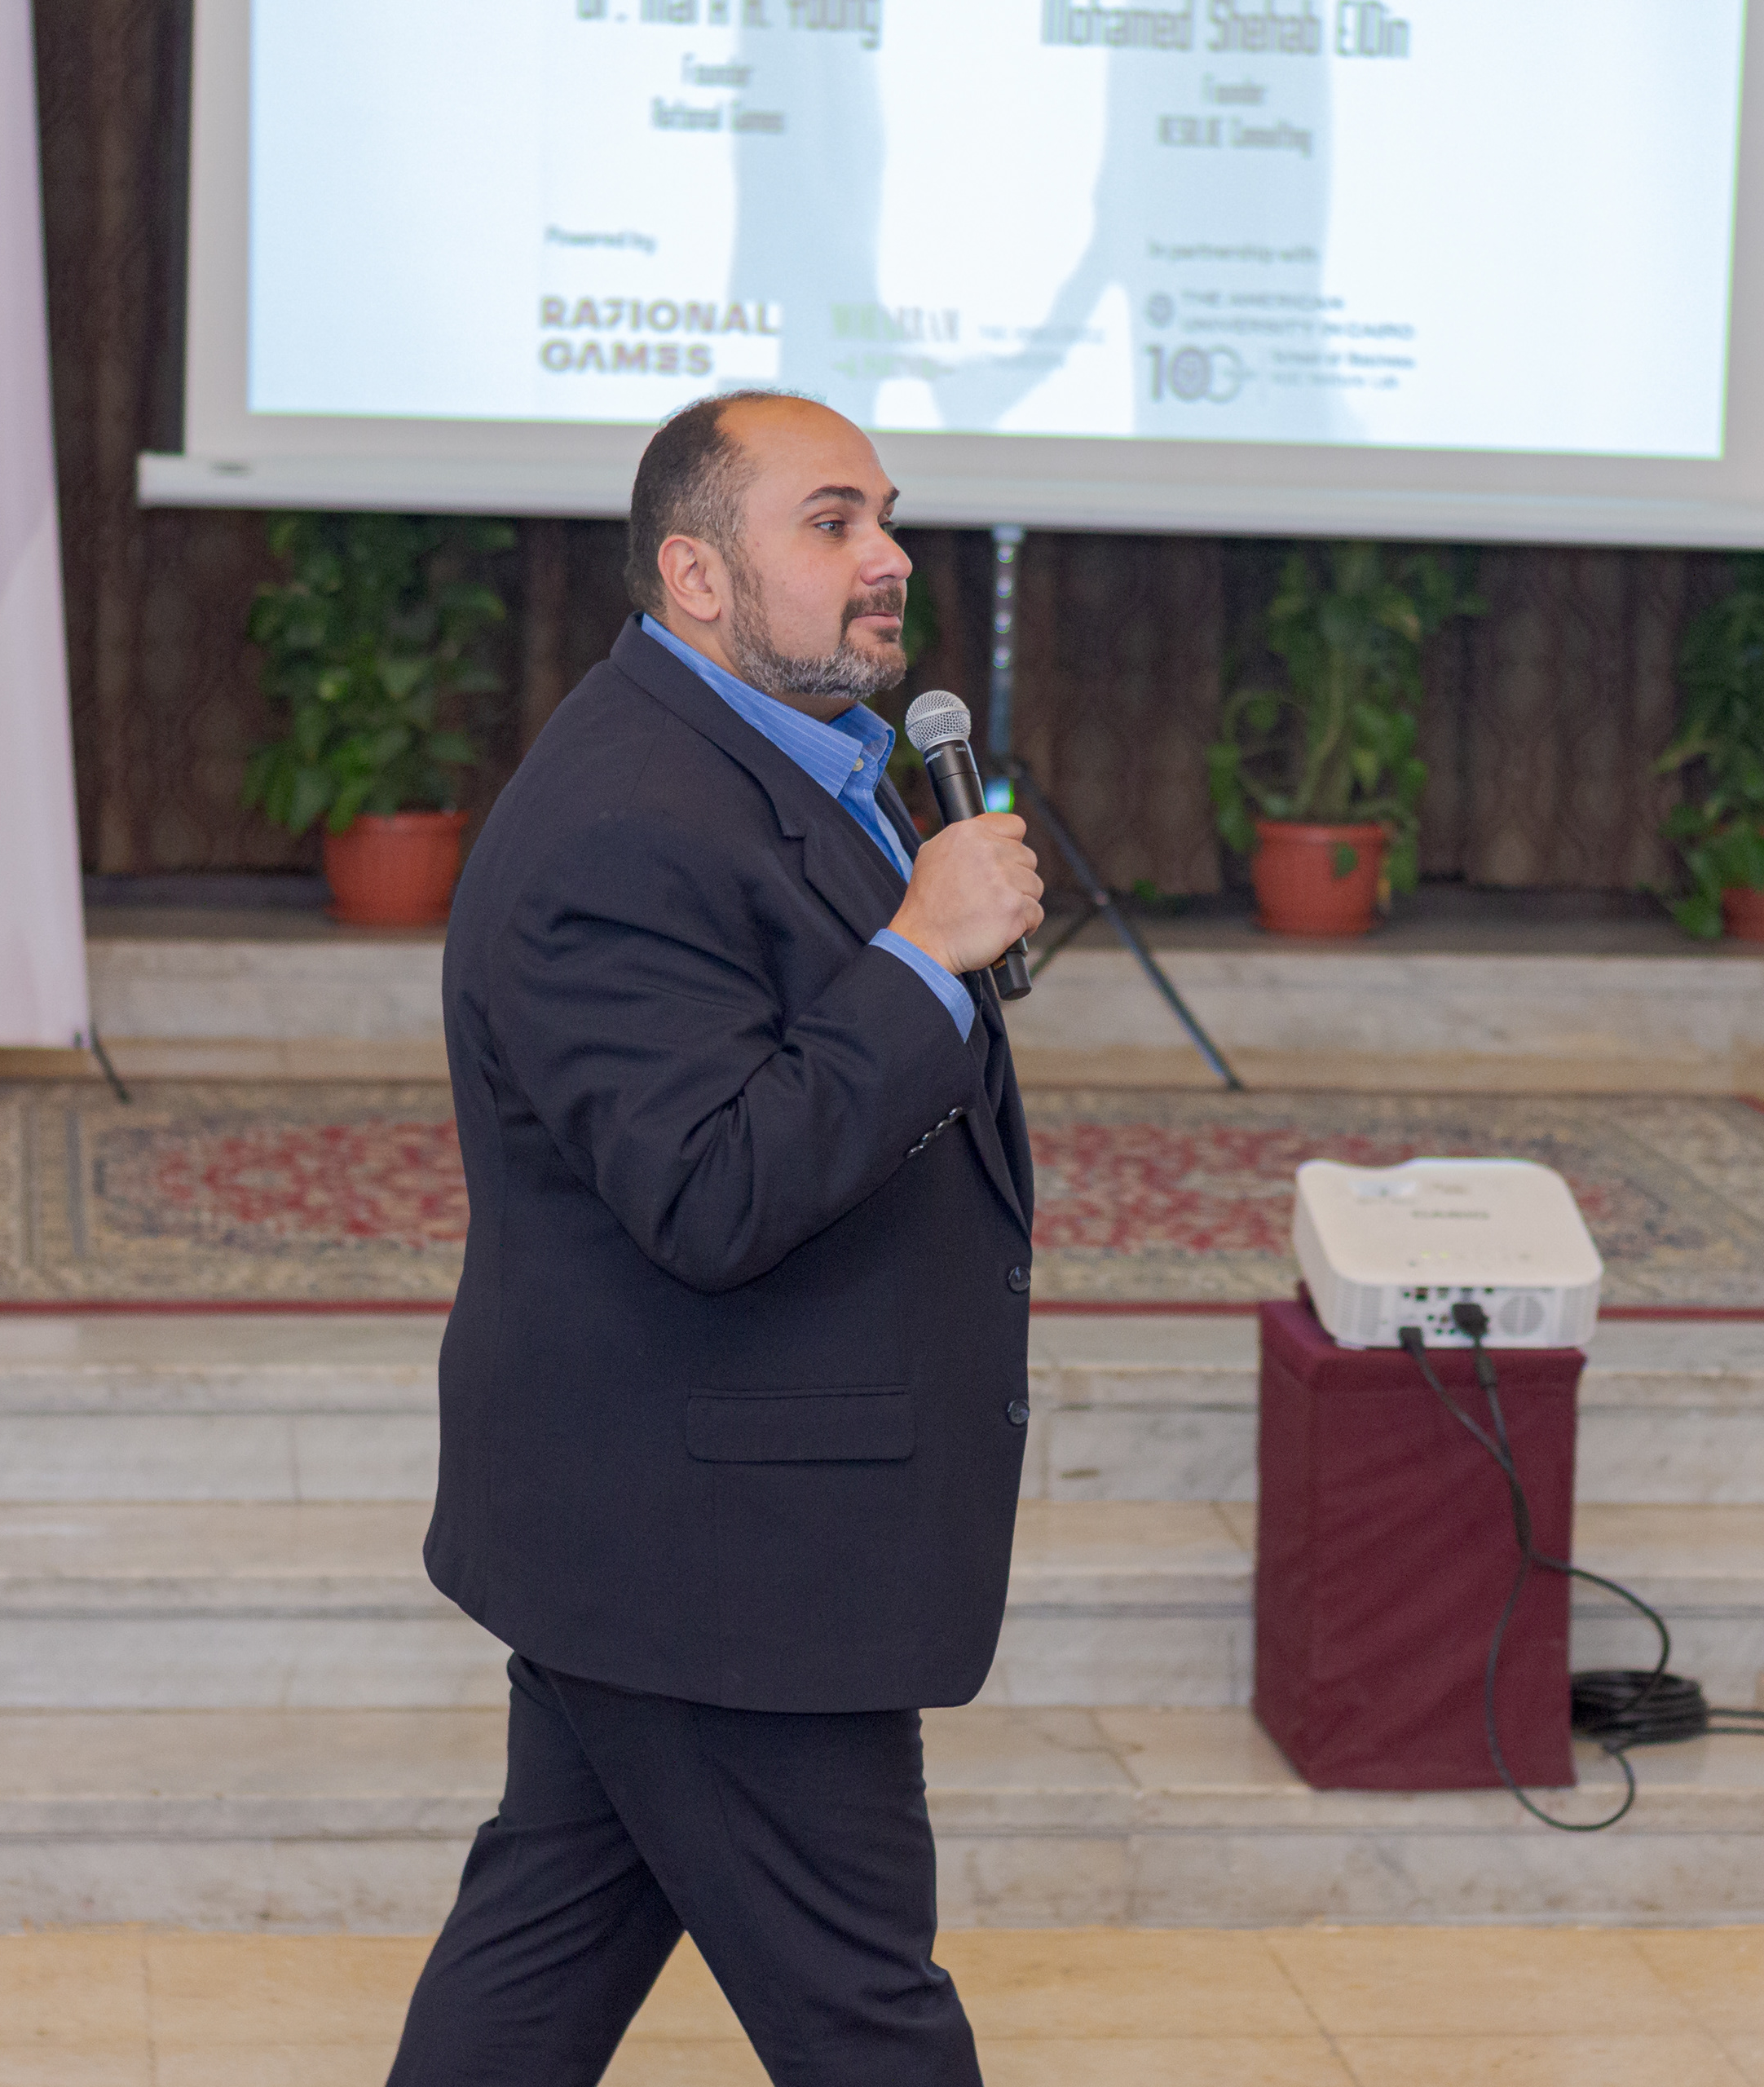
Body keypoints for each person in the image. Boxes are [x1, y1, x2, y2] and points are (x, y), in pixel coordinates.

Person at [386, 390, 1045, 2086]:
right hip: (719, 1552)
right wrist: (919, 956)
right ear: (694, 574)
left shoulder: (788, 764)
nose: (890, 559)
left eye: (886, 517)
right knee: (868, 2019)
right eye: (831, 523)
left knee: (539, 1956)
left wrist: (919, 946)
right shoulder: (622, 827)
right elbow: (709, 1187)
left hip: (672, 1527)